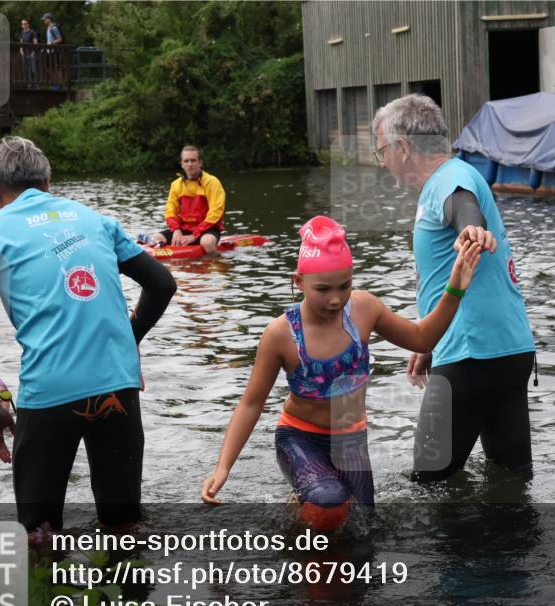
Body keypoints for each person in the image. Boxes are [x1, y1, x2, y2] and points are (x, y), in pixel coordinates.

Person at [201, 216, 482, 531]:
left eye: (344, 286)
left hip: (351, 441)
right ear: (299, 282)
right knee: (328, 501)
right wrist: (223, 468)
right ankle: (304, 514)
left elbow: (421, 339)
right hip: (300, 438)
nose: (335, 299)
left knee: (363, 528)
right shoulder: (281, 334)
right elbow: (251, 403)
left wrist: (454, 290)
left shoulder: (364, 309)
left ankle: (307, 508)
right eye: (322, 289)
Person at [0, 136, 177, 532]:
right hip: (118, 384)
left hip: (50, 391)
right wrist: (128, 341)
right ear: (47, 182)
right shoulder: (95, 219)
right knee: (124, 526)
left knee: (38, 535)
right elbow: (162, 284)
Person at [371, 94, 537, 483]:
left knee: (428, 486)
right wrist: (429, 340)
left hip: (470, 355)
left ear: (404, 147)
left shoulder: (448, 180)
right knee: (510, 482)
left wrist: (471, 228)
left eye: (382, 151)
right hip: (510, 351)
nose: (381, 162)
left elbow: (463, 208)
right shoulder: (458, 173)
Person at [148, 146, 225, 253]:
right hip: (184, 229)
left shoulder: (212, 182)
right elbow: (170, 211)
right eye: (186, 161)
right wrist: (176, 229)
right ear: (182, 164)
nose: (189, 164)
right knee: (154, 239)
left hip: (207, 229)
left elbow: (216, 212)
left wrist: (195, 235)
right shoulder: (176, 185)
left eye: (193, 160)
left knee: (207, 242)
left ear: (200, 163)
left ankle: (216, 260)